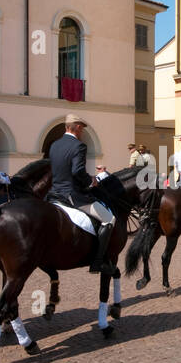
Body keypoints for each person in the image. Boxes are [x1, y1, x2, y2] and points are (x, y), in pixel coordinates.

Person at [49, 113, 116, 274]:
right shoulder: (79, 146)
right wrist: (91, 181)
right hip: (73, 195)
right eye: (82, 129)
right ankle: (97, 262)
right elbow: (77, 171)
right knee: (109, 219)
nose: (82, 132)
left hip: (54, 193)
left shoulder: (54, 145)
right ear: (77, 128)